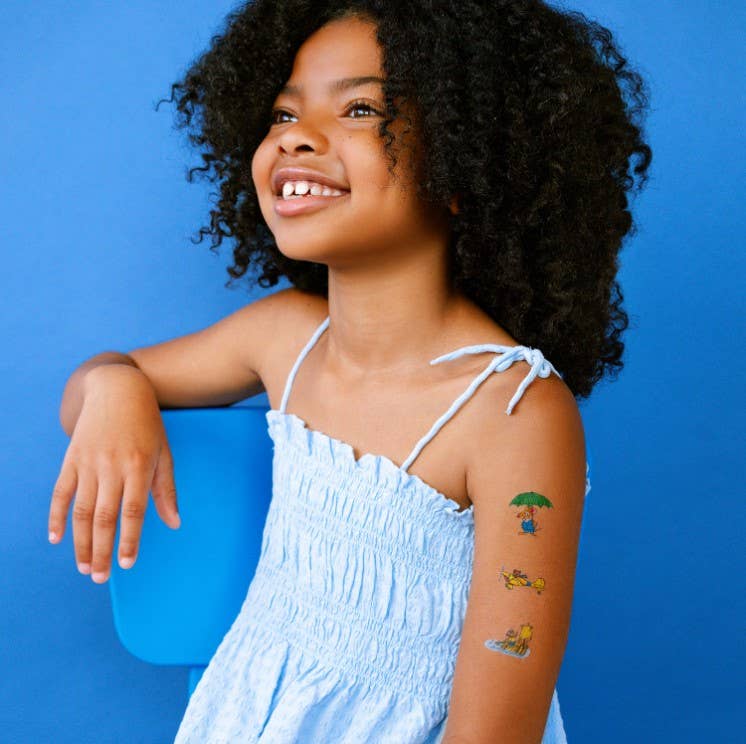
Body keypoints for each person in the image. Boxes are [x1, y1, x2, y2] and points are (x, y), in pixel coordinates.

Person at [48, 1, 652, 741]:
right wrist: (116, 387)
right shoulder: (284, 337)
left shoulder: (515, 412)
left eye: (361, 108)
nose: (295, 135)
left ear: (469, 164)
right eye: (282, 114)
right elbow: (87, 389)